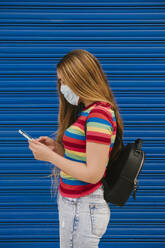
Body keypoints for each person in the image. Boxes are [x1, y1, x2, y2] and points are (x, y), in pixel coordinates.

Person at [28, 49, 124, 248]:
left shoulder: (98, 115)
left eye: (64, 81)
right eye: (60, 82)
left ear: (80, 79)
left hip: (84, 206)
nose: (62, 87)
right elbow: (83, 158)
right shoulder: (87, 112)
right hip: (75, 204)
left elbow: (93, 173)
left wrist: (50, 157)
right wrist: (57, 149)